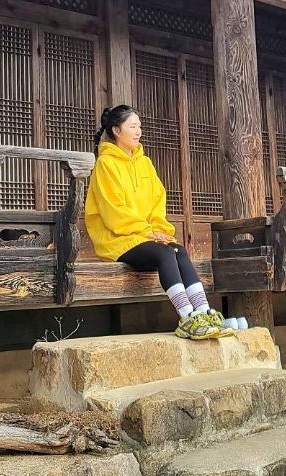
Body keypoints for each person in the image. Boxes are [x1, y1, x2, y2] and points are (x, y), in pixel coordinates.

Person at [85, 104, 232, 340]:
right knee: (164, 255)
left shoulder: (145, 163)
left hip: (145, 237)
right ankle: (187, 317)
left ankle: (204, 312)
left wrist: (159, 230)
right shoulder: (105, 164)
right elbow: (113, 212)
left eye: (139, 126)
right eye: (132, 126)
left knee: (178, 250)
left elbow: (157, 202)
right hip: (118, 240)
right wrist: (148, 232)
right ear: (116, 130)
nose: (138, 131)